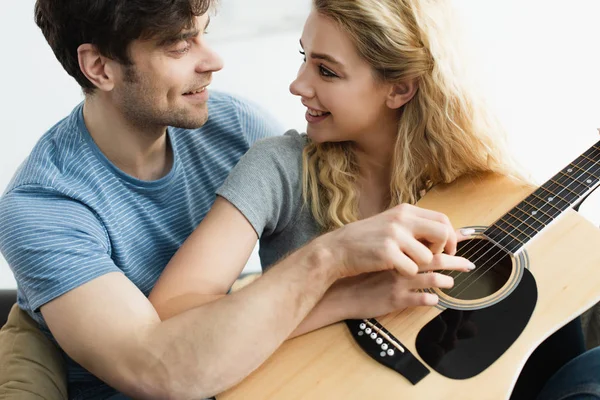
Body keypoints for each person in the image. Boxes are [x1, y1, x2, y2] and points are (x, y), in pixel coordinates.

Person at [0, 0, 475, 398]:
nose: (214, 61)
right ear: (100, 67)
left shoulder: (234, 126)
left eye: (204, 34)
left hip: (228, 360)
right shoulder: (43, 206)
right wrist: (331, 264)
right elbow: (159, 369)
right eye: (180, 45)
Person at [147, 0, 600, 400]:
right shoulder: (280, 167)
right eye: (305, 59)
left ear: (400, 88)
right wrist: (345, 294)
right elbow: (170, 323)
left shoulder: (481, 186)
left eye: (326, 70)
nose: (297, 85)